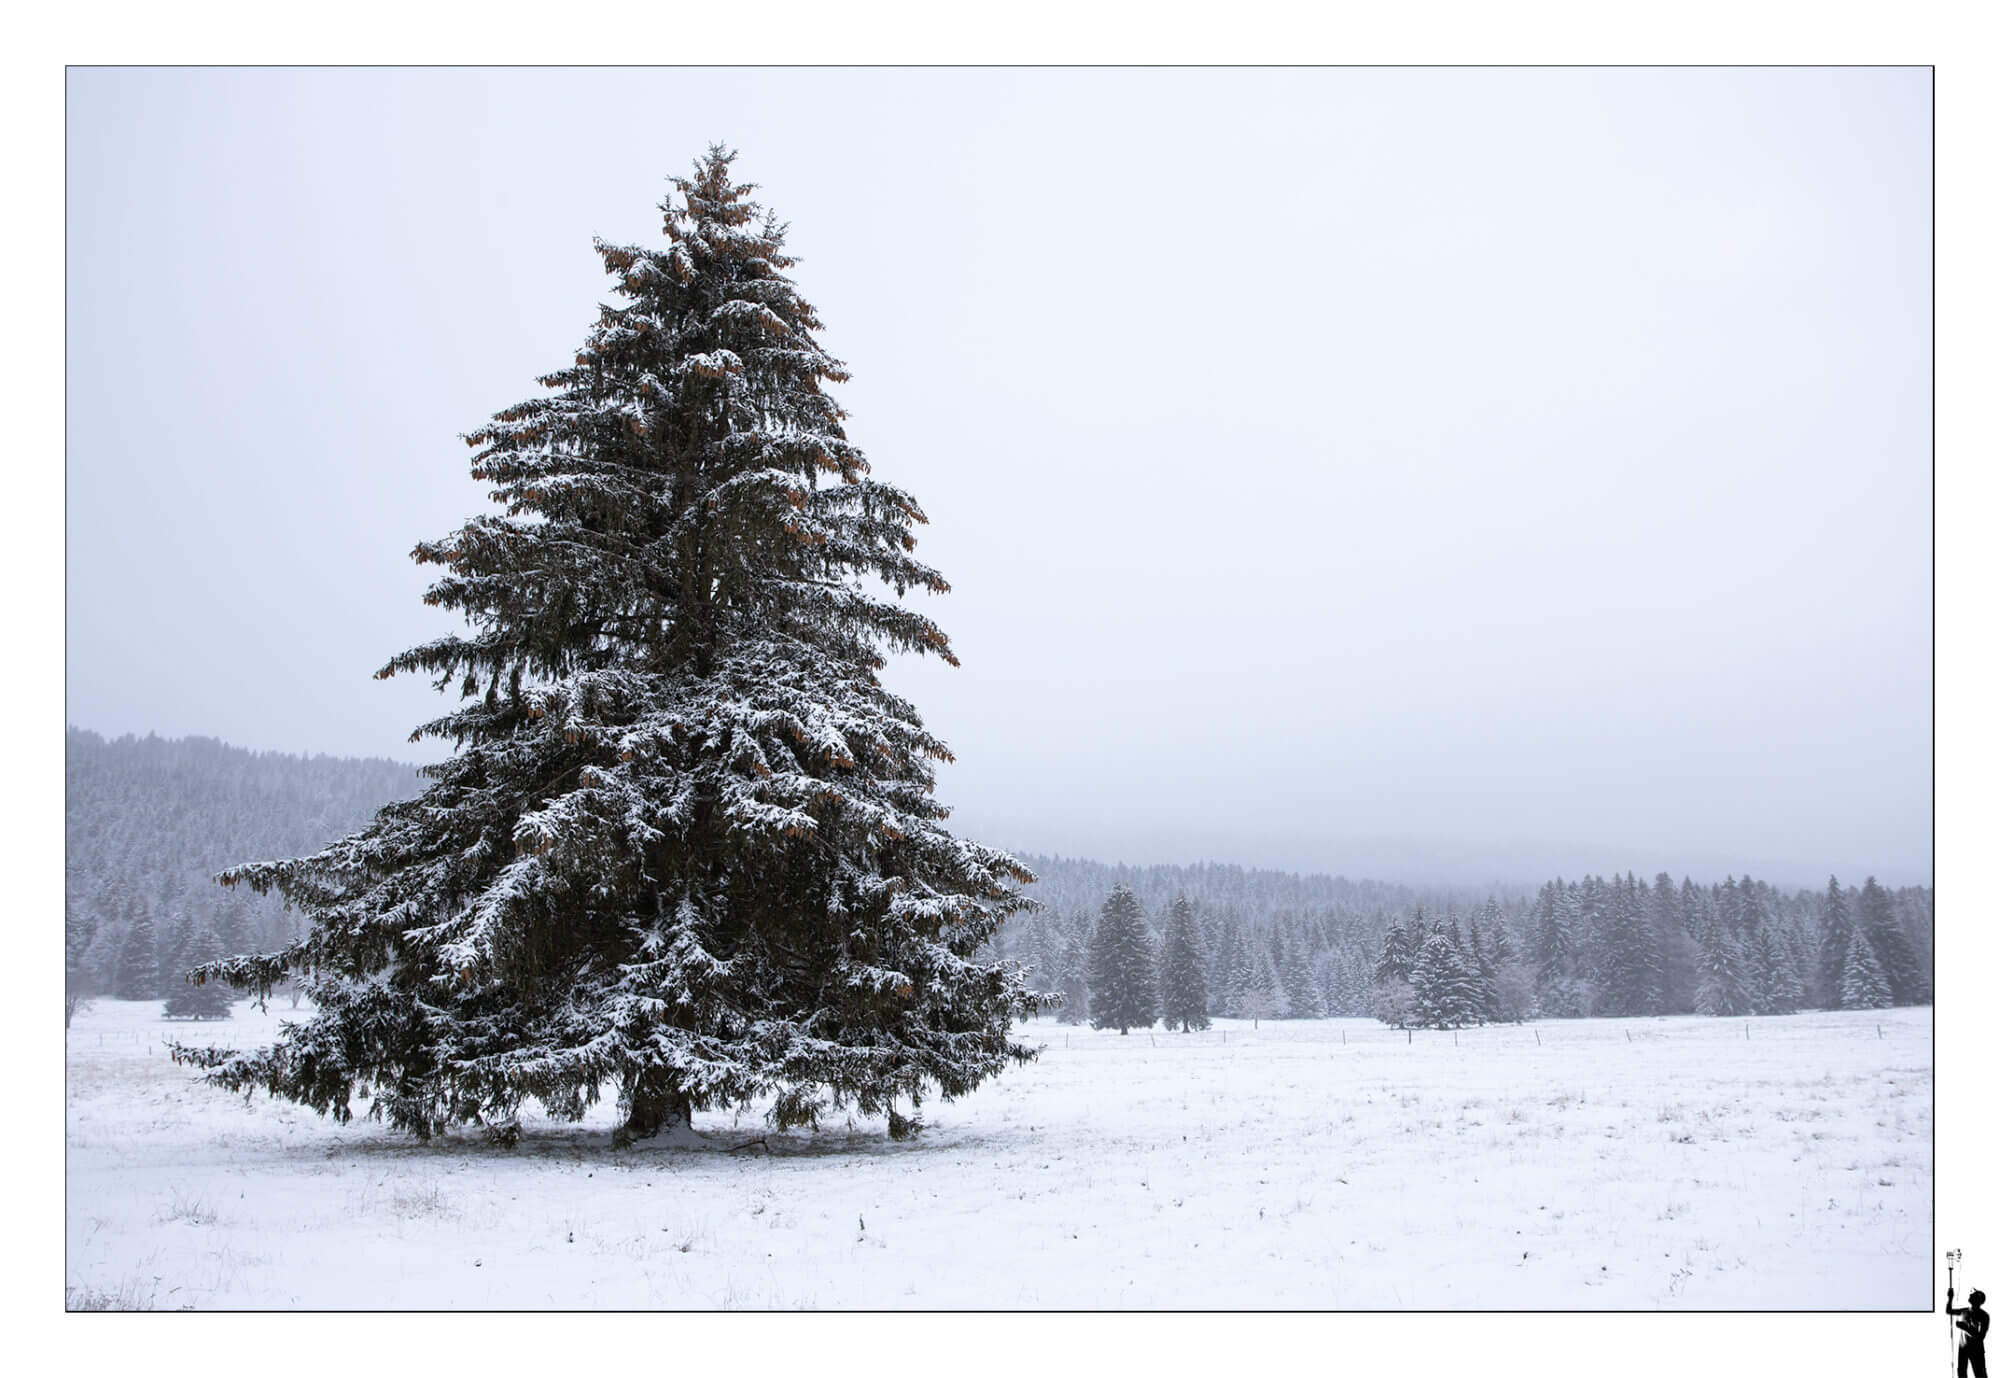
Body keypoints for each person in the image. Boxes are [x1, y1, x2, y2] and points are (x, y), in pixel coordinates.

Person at [1949, 1286, 1990, 1378]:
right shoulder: (1964, 1311)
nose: (1970, 1295)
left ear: (1978, 1300)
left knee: (1980, 1375)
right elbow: (1949, 1311)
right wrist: (1950, 1298)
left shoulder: (1984, 1316)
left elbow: (1981, 1337)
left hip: (1976, 1350)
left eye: (1973, 1295)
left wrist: (1965, 1328)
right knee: (1962, 1373)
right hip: (1963, 1348)